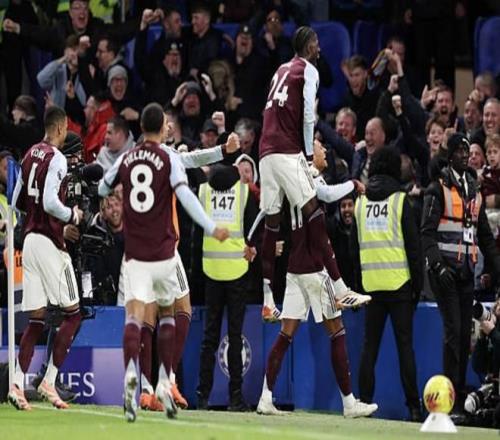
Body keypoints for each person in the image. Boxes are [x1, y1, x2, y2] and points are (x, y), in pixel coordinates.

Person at [98, 103, 230, 422]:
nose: (171, 126)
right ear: (161, 127)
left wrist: (221, 150)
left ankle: (143, 383)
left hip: (135, 253)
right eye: (167, 123)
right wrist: (211, 227)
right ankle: (160, 383)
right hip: (163, 251)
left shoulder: (127, 158)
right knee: (170, 314)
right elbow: (185, 192)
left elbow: (102, 186)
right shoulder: (168, 158)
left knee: (137, 318)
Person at [259, 26, 358, 320]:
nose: (319, 48)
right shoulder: (308, 70)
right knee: (314, 211)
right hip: (287, 150)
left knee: (272, 224)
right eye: (316, 43)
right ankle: (341, 288)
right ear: (309, 46)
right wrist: (307, 155)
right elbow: (307, 116)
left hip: (265, 151)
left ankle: (267, 299)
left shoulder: (280, 69)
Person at [8, 106, 84, 411]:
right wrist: (72, 215)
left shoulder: (29, 154)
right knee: (74, 314)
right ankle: (49, 380)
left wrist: (30, 217)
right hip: (51, 243)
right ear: (61, 128)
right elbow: (52, 202)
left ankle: (16, 383)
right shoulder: (58, 158)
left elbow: (16, 199)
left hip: (29, 242)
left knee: (37, 319)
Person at [421, 133, 500, 416]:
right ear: (450, 154)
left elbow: (485, 236)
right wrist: (437, 266)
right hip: (445, 273)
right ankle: (450, 398)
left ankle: (458, 391)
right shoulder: (437, 188)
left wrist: (496, 269)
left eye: (468, 150)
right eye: (460, 150)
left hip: (466, 272)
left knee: (465, 334)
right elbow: (426, 233)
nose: (465, 155)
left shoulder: (474, 190)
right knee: (454, 332)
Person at [353, 146, 423, 421]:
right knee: (405, 347)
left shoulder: (360, 204)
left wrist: (357, 287)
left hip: (371, 286)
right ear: (395, 168)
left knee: (369, 348)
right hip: (400, 284)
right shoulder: (400, 201)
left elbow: (354, 250)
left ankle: (364, 402)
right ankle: (414, 407)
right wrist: (417, 287)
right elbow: (414, 249)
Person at [196, 162, 258, 411]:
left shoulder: (204, 191)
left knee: (209, 337)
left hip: (211, 270)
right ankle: (235, 397)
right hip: (237, 271)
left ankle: (202, 396)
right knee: (235, 336)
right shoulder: (243, 192)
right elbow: (253, 229)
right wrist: (252, 249)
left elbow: (195, 231)